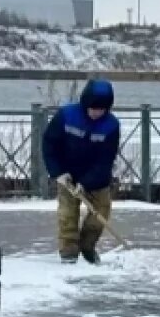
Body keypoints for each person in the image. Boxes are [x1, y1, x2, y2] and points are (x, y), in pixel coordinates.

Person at [42, 79, 121, 264]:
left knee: (99, 215)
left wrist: (86, 183)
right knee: (67, 215)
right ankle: (69, 253)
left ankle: (87, 247)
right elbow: (50, 145)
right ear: (85, 103)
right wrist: (58, 172)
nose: (96, 113)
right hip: (67, 175)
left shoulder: (111, 126)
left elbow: (105, 160)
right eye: (93, 108)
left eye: (101, 110)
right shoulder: (66, 116)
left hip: (96, 178)